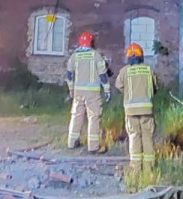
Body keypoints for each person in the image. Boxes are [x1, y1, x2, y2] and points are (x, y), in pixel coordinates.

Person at [114, 43, 159, 171]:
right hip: (147, 110)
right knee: (147, 136)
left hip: (131, 110)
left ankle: (136, 168)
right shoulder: (148, 69)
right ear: (141, 56)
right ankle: (149, 167)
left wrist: (128, 92)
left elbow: (119, 86)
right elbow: (155, 87)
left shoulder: (124, 71)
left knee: (134, 136)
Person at [64, 31, 110, 153]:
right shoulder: (96, 56)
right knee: (94, 117)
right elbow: (103, 75)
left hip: (78, 92)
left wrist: (71, 89)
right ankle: (93, 147)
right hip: (93, 93)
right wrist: (107, 90)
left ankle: (72, 142)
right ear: (91, 42)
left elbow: (69, 75)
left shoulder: (74, 56)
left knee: (76, 116)